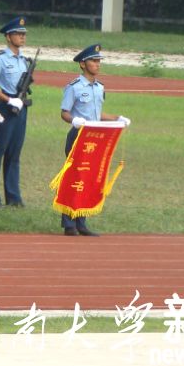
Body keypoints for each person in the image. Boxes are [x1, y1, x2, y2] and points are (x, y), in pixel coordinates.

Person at [59, 44, 132, 236]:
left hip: (95, 138)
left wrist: (118, 118)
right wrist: (74, 120)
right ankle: (68, 222)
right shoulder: (74, 87)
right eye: (93, 60)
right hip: (78, 135)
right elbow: (64, 112)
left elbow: (98, 114)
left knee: (89, 177)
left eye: (99, 61)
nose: (97, 64)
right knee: (74, 176)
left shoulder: (100, 88)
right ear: (83, 64)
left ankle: (81, 221)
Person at [0, 17, 32, 208]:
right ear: (8, 36)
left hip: (21, 108)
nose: (22, 37)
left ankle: (13, 197)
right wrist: (7, 99)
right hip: (6, 107)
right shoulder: (0, 59)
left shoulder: (25, 61)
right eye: (18, 34)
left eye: (23, 34)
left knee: (14, 154)